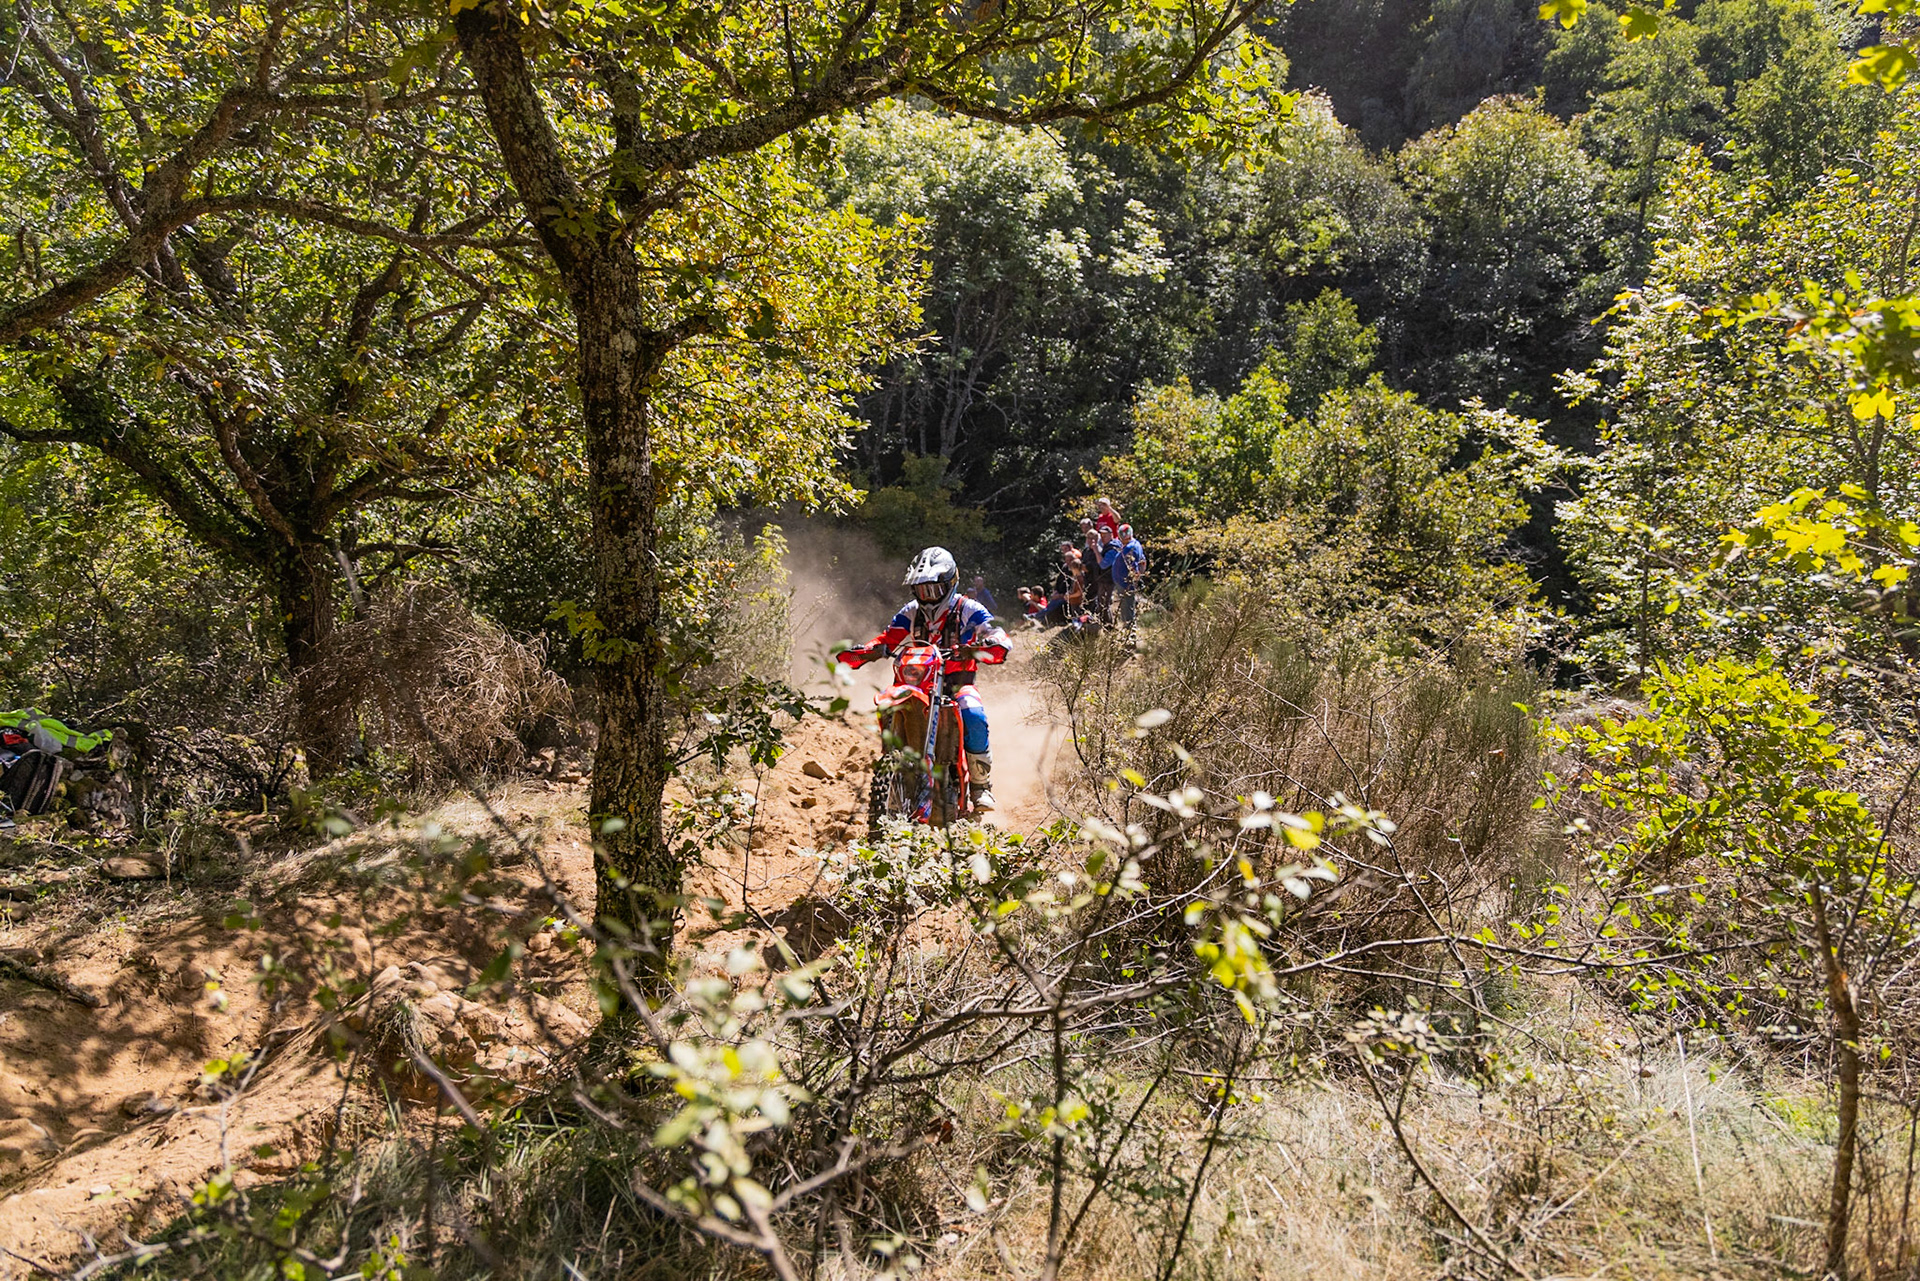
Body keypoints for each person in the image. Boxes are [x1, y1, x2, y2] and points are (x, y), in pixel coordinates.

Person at [834, 547, 1011, 810]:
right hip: (918, 685)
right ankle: (894, 766)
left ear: (950, 584)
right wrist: (867, 651)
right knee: (890, 701)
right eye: (921, 590)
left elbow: (994, 632)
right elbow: (889, 637)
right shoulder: (911, 612)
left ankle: (980, 786)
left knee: (973, 713)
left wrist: (989, 644)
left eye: (933, 590)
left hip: (956, 685)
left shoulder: (968, 609)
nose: (927, 598)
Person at [1105, 522, 1148, 626]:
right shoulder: (1133, 544)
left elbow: (1134, 567)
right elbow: (1142, 560)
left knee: (1127, 611)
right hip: (1123, 583)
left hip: (1126, 585)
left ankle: (1129, 637)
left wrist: (1134, 579)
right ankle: (1128, 633)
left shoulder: (1131, 548)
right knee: (1126, 609)